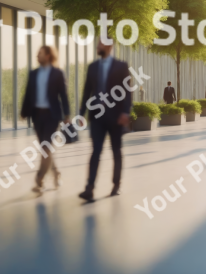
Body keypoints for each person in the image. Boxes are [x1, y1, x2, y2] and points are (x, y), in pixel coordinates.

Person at [78, 39, 132, 202]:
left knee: (116, 151)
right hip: (97, 116)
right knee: (95, 152)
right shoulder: (92, 67)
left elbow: (127, 91)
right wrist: (81, 113)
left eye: (100, 44)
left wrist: (125, 112)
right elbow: (87, 91)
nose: (97, 46)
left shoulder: (121, 66)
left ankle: (116, 184)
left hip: (116, 117)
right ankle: (89, 188)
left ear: (109, 46)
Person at [21, 45, 70, 193]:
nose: (37, 56)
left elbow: (64, 96)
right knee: (45, 149)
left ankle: (40, 180)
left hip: (51, 116)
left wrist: (67, 115)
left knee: (45, 148)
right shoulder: (33, 74)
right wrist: (23, 112)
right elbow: (28, 93)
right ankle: (56, 173)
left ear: (48, 56)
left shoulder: (57, 74)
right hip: (37, 115)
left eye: (40, 54)